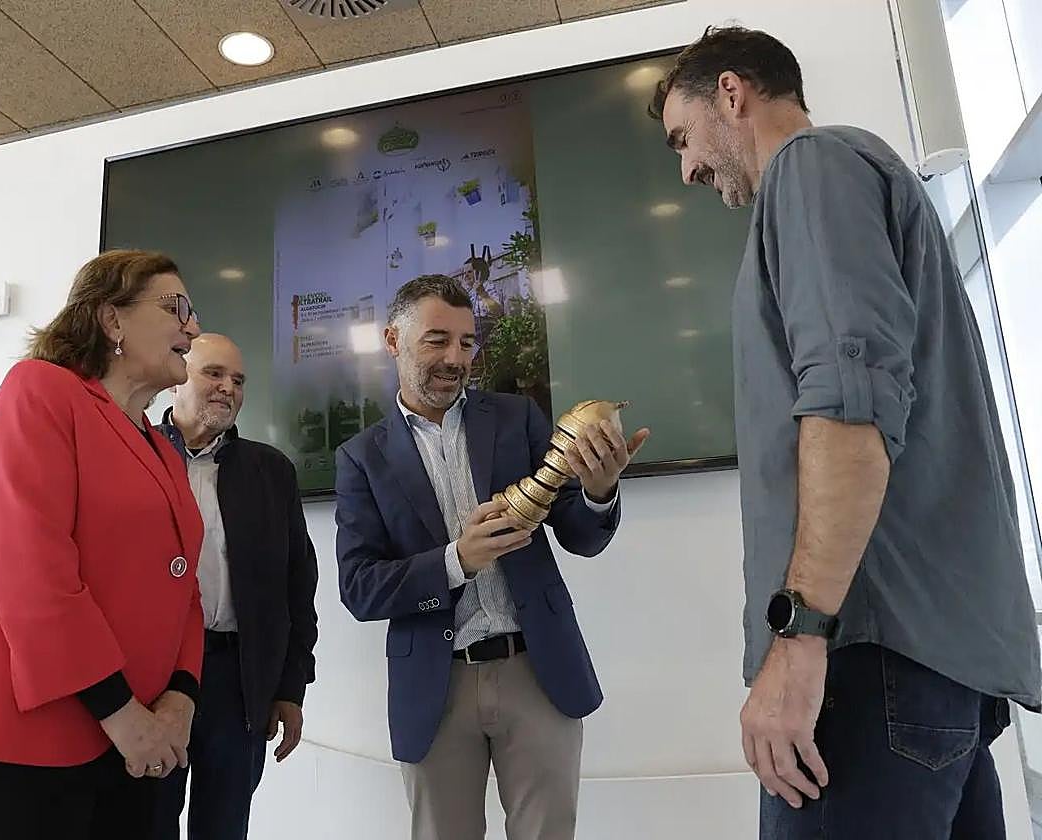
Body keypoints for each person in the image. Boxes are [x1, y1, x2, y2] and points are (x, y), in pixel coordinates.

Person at [651, 26, 1041, 839]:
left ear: (732, 93)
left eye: (683, 139)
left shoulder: (812, 168)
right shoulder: (867, 182)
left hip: (866, 661)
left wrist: (798, 638)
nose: (686, 170)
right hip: (928, 668)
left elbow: (847, 408)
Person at [334, 274, 648, 840]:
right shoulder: (361, 458)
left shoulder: (516, 417)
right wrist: (456, 560)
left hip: (538, 670)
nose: (456, 358)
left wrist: (599, 491)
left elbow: (579, 533)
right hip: (435, 686)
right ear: (393, 340)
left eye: (466, 342)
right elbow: (360, 588)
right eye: (437, 340)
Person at [0, 250, 207, 839]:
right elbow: (30, 571)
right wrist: (122, 714)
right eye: (176, 307)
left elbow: (183, 590)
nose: (193, 327)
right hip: (20, 743)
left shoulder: (161, 447)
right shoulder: (40, 390)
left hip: (135, 750)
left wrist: (181, 696)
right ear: (112, 318)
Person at [153, 333, 319, 839]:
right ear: (177, 378)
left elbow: (297, 587)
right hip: (153, 679)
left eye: (239, 380)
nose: (229, 388)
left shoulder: (271, 471)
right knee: (146, 821)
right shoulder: (136, 455)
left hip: (238, 680)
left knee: (225, 827)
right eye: (214, 374)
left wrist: (291, 687)